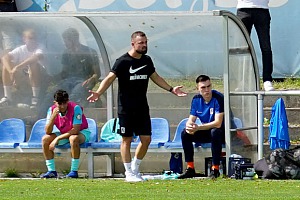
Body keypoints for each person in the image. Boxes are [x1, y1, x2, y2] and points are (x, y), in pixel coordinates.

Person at [87, 31, 187, 182]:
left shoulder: (147, 60)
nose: (144, 45)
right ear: (133, 43)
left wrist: (171, 89)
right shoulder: (122, 61)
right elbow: (109, 78)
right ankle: (128, 173)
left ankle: (134, 168)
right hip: (126, 108)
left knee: (146, 139)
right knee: (126, 139)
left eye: (146, 42)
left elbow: (155, 77)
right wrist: (98, 93)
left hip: (142, 107)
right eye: (141, 43)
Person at [178, 75, 224, 179]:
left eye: (209, 86)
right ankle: (190, 168)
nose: (207, 90)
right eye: (203, 87)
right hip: (206, 130)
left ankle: (215, 169)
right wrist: (190, 126)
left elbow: (218, 123)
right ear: (197, 89)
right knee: (185, 133)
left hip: (221, 133)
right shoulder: (196, 99)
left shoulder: (218, 98)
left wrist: (198, 127)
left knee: (215, 132)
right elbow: (191, 118)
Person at [40, 89, 91, 178]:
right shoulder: (51, 110)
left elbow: (75, 130)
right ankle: (51, 171)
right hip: (65, 133)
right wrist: (53, 117)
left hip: (82, 132)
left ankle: (74, 171)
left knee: (73, 138)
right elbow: (48, 131)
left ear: (68, 101)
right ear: (55, 102)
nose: (62, 106)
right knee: (45, 139)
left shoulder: (76, 108)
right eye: (60, 104)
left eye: (64, 103)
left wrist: (57, 139)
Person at [237, 0, 274, 91]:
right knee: (242, 48)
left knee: (265, 47)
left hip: (262, 9)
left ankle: (267, 80)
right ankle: (242, 80)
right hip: (243, 10)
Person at [0, 29, 43, 107]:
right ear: (24, 39)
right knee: (6, 66)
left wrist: (17, 67)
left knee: (33, 65)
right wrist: (11, 71)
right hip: (23, 76)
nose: (32, 40)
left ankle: (35, 98)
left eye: (34, 38)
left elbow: (36, 57)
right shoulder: (21, 49)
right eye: (30, 38)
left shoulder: (40, 47)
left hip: (40, 78)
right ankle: (8, 97)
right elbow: (4, 58)